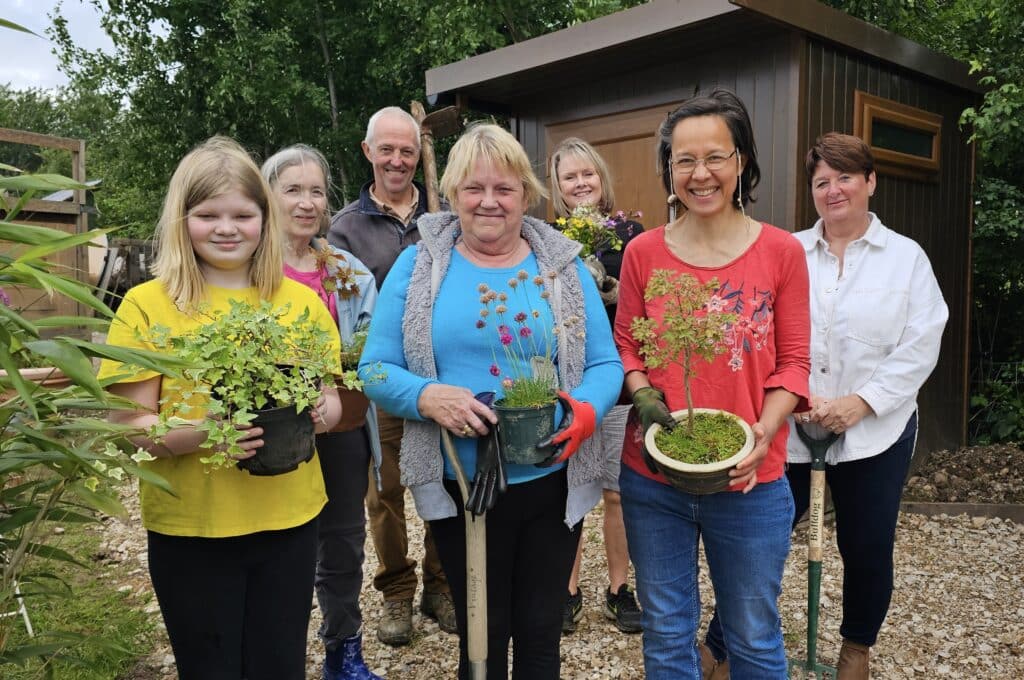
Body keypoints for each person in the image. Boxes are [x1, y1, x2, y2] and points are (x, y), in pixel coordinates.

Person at [359, 123, 623, 679]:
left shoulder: (560, 265)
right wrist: (428, 396)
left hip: (549, 479)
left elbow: (605, 364)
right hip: (461, 482)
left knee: (539, 631)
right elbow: (376, 366)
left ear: (526, 194)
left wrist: (583, 415)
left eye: (504, 189)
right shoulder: (422, 265)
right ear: (452, 193)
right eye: (474, 188)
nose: (488, 202)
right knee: (481, 632)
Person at [99, 137, 342, 680]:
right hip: (192, 528)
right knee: (209, 668)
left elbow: (326, 396)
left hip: (288, 518)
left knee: (279, 665)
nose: (227, 228)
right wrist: (207, 433)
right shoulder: (147, 305)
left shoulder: (299, 302)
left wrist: (322, 411)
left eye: (242, 214)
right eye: (208, 215)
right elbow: (129, 426)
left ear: (265, 219)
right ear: (182, 220)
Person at [614, 89, 811, 679]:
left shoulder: (781, 252)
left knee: (752, 635)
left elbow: (795, 363)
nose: (700, 174)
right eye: (684, 160)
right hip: (653, 479)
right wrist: (642, 390)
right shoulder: (644, 253)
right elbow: (628, 340)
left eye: (716, 157)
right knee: (667, 634)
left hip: (751, 479)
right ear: (669, 170)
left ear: (742, 161)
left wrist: (764, 429)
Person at [768, 132, 946, 678]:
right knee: (760, 535)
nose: (833, 189)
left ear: (870, 181)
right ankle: (729, 642)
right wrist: (793, 396)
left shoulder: (905, 258)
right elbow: (761, 334)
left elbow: (922, 340)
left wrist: (861, 403)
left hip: (877, 430)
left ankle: (856, 647)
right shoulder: (786, 251)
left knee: (866, 545)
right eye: (822, 181)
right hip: (793, 425)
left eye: (845, 177)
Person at [327, 106, 456, 645]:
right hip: (380, 378)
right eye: (388, 150)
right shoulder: (345, 228)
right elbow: (338, 307)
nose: (398, 160)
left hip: (441, 374)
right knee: (385, 491)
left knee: (444, 479)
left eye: (407, 150)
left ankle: (441, 584)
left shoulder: (445, 214)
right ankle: (396, 592)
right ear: (368, 152)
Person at [262, 144, 382, 680]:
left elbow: (371, 351)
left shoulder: (348, 272)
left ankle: (343, 651)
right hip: (270, 429)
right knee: (277, 544)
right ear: (267, 196)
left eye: (316, 190)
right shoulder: (247, 271)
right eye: (293, 189)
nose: (307, 202)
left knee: (342, 542)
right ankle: (274, 653)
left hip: (339, 426)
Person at [548, 137, 643, 635]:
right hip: (568, 379)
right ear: (557, 186)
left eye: (588, 174)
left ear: (601, 178)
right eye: (570, 177)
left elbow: (642, 304)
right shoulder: (548, 238)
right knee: (570, 488)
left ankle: (618, 588)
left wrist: (615, 288)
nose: (581, 183)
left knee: (616, 490)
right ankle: (566, 590)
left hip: (621, 380)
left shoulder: (629, 233)